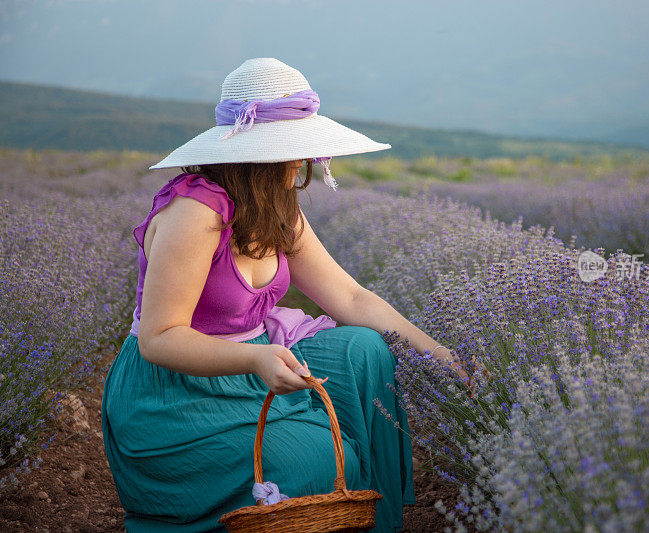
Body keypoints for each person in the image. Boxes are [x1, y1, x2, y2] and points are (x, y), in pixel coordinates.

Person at [100, 58, 470, 532]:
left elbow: (352, 299)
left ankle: (369, 516)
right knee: (308, 464)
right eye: (297, 150)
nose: (305, 162)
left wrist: (440, 355)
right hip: (176, 393)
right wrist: (256, 361)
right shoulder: (196, 212)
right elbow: (159, 338)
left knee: (366, 349)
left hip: (254, 362)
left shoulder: (276, 208)